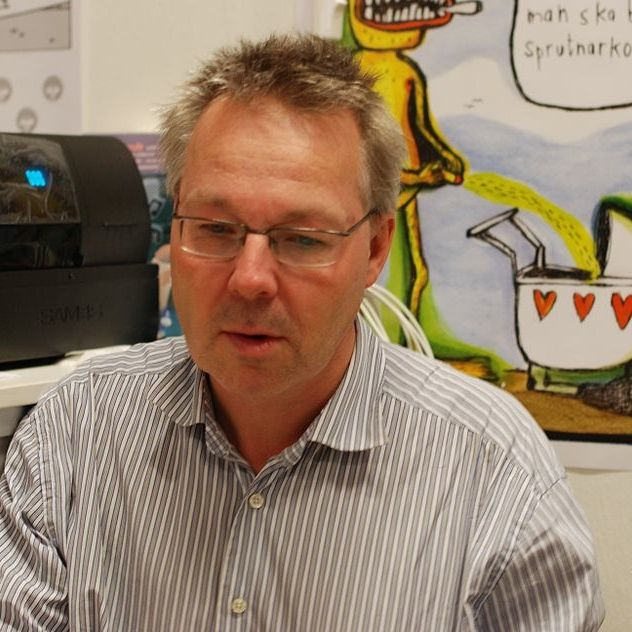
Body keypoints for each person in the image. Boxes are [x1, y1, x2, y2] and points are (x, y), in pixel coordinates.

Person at [0, 34, 603, 631]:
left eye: (303, 240)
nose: (250, 279)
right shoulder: (77, 431)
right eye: (215, 228)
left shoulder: (491, 470)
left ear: (375, 249)